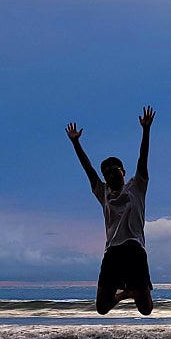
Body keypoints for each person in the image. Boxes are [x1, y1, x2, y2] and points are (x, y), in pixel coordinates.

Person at [67, 107, 155, 315]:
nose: (111, 176)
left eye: (115, 171)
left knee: (146, 310)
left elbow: (143, 159)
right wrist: (76, 143)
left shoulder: (137, 187)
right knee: (102, 308)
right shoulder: (102, 191)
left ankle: (134, 292)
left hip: (134, 250)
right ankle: (126, 293)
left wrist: (146, 130)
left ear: (123, 172)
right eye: (107, 173)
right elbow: (88, 170)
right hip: (112, 253)